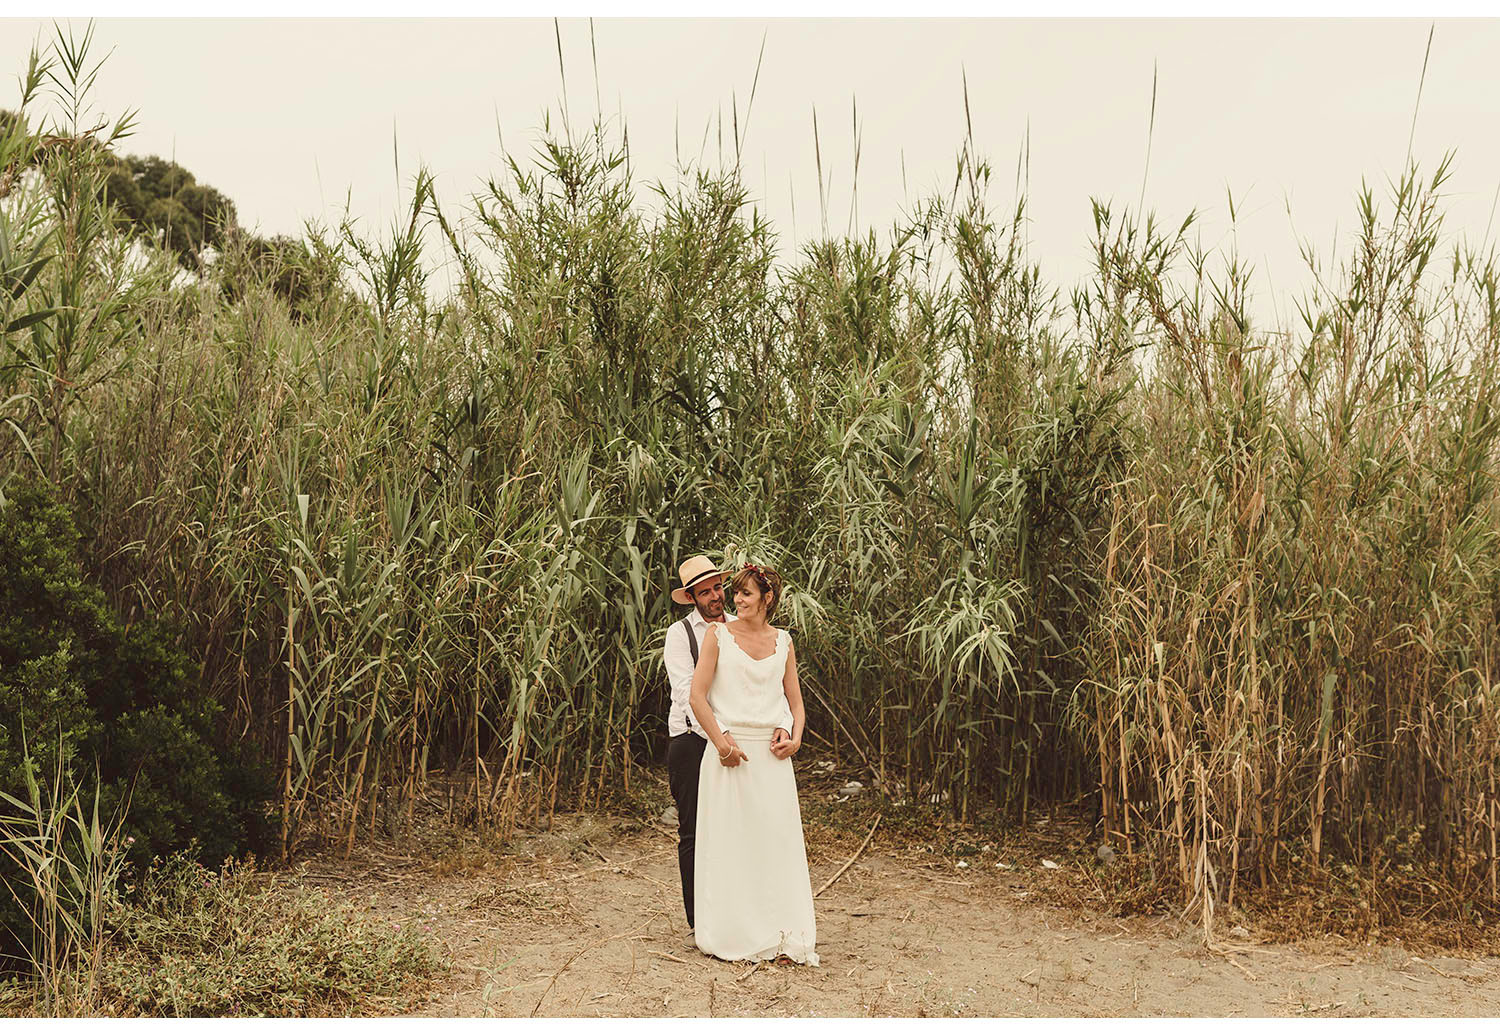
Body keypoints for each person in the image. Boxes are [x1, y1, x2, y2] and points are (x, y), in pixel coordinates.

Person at [688, 563, 818, 965]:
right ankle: (731, 932)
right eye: (737, 593)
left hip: (772, 759)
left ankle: (781, 932)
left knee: (775, 843)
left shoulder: (784, 641)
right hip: (729, 755)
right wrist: (722, 742)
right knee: (731, 845)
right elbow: (696, 696)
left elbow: (794, 700)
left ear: (768, 599)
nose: (737, 601)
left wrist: (794, 735)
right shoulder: (717, 636)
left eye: (746, 594)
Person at [662, 555, 792, 951]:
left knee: (736, 830)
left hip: (735, 740)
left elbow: (762, 685)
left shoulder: (740, 628)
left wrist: (759, 730)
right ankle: (698, 919)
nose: (717, 596)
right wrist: (723, 736)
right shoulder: (680, 634)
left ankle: (737, 913)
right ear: (692, 598)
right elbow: (688, 695)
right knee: (694, 831)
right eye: (706, 592)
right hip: (692, 739)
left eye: (719, 587)